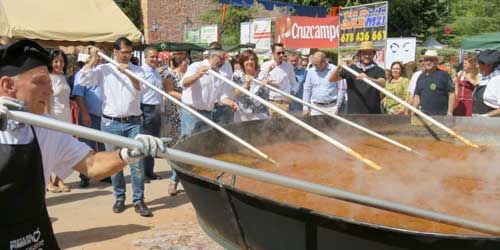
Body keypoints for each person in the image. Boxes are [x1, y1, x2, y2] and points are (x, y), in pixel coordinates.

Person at [0, 39, 165, 250]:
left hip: (36, 235)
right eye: (39, 82)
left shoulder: (46, 129)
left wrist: (127, 153)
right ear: (8, 86)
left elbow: (92, 164)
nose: (48, 92)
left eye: (49, 84)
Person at [79, 37, 153, 217]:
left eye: (129, 53)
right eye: (124, 52)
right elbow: (83, 79)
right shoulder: (104, 70)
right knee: (114, 163)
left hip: (133, 122)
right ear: (115, 52)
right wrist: (93, 58)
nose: (127, 56)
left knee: (137, 164)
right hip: (110, 123)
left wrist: (128, 73)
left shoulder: (137, 70)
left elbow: (140, 88)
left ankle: (139, 200)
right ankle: (119, 197)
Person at [180, 48, 238, 137]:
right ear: (213, 56)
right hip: (192, 113)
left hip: (207, 113)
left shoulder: (218, 73)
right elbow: (184, 83)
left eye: (224, 59)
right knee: (189, 141)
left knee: (203, 143)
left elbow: (219, 96)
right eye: (221, 58)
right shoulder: (196, 66)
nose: (223, 62)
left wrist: (230, 102)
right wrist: (198, 74)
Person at [72, 49, 108, 188]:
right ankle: (85, 175)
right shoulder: (82, 74)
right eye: (97, 56)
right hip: (89, 115)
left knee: (104, 146)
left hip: (104, 116)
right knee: (87, 147)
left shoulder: (103, 72)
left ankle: (104, 173)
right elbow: (79, 95)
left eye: (101, 56)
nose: (100, 59)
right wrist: (85, 113)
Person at [329, 41, 386, 114]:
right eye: (364, 53)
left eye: (370, 53)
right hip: (354, 112)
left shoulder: (378, 70)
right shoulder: (352, 69)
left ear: (374, 54)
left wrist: (368, 78)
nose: (367, 56)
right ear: (359, 54)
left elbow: (383, 83)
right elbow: (331, 79)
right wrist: (338, 67)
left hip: (373, 112)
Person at [163, 56, 188, 196]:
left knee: (185, 145)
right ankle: (174, 179)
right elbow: (170, 91)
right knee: (178, 146)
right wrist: (186, 98)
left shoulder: (189, 74)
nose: (188, 63)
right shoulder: (169, 75)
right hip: (175, 114)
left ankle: (177, 177)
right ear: (181, 62)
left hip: (188, 112)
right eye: (186, 61)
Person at [47, 49, 72, 193]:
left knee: (64, 148)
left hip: (66, 115)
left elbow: (64, 95)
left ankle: (60, 179)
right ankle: (49, 182)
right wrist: (47, 118)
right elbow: (45, 99)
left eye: (61, 61)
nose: (59, 64)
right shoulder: (47, 77)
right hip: (53, 116)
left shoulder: (63, 76)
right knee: (51, 149)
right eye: (56, 61)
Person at [141, 47, 164, 181]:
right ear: (145, 57)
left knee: (153, 143)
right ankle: (143, 173)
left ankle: (150, 171)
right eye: (152, 57)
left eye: (156, 56)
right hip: (146, 109)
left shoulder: (156, 72)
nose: (155, 59)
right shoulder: (141, 72)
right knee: (144, 143)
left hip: (156, 109)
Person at [412, 50, 455, 116]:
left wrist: (450, 113)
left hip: (441, 116)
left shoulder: (444, 75)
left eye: (431, 60)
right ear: (424, 62)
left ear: (436, 61)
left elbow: (452, 94)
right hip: (424, 116)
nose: (428, 62)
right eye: (426, 60)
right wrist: (413, 112)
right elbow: (417, 96)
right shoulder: (420, 77)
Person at [258, 43, 297, 116]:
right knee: (271, 126)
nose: (281, 55)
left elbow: (294, 83)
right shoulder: (266, 65)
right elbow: (259, 80)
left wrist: (291, 96)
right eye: (279, 53)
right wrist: (268, 70)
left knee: (283, 126)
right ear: (273, 53)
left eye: (283, 53)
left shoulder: (288, 66)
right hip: (270, 102)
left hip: (284, 103)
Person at [302, 51, 346, 116]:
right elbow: (307, 89)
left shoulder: (335, 70)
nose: (315, 66)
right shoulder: (311, 71)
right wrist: (305, 108)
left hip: (331, 107)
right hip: (315, 107)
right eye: (314, 64)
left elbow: (342, 88)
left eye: (317, 64)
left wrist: (337, 106)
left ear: (324, 61)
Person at [232, 49, 270, 122]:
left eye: (252, 59)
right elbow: (235, 93)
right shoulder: (237, 75)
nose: (250, 61)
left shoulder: (262, 74)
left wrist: (269, 83)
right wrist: (246, 84)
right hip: (242, 114)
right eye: (246, 60)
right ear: (242, 63)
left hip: (260, 114)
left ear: (255, 61)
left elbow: (277, 87)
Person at [208, 42, 235, 125]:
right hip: (210, 106)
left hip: (226, 106)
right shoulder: (204, 65)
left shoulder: (227, 65)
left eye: (218, 50)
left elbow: (229, 83)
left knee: (225, 133)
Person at [472, 50, 500, 116]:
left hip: (494, 122)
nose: (477, 66)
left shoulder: (497, 80)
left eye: (479, 64)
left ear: (489, 65)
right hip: (479, 120)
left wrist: (486, 116)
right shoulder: (484, 77)